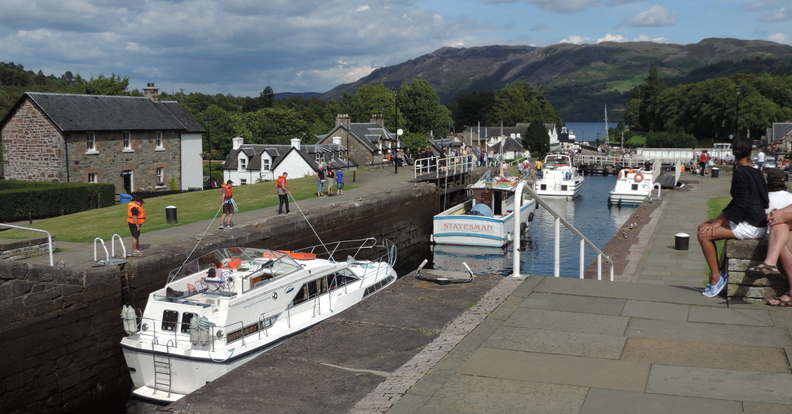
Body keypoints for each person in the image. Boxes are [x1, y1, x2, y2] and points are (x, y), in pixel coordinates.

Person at [697, 138, 769, 297]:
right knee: (704, 226)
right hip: (759, 222)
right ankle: (718, 274)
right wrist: (715, 221)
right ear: (750, 153)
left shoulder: (741, 172)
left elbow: (741, 203)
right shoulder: (756, 171)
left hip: (752, 226)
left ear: (733, 152)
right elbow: (758, 200)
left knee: (703, 234)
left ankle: (716, 278)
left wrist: (720, 222)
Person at [745, 168, 792, 306]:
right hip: (778, 229)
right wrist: (780, 215)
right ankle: (770, 263)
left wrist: (778, 216)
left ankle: (770, 263)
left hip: (768, 232)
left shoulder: (762, 197)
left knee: (779, 228)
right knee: (779, 226)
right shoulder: (789, 196)